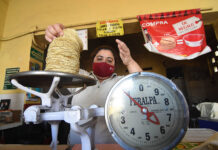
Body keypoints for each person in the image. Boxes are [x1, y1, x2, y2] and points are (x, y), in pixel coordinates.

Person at [45, 23, 143, 145]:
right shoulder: (79, 76)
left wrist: (129, 61)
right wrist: (59, 37)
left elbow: (141, 84)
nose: (104, 62)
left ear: (114, 65)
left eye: (109, 60)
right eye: (99, 59)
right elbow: (57, 67)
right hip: (77, 145)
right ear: (93, 61)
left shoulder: (120, 83)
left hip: (110, 146)